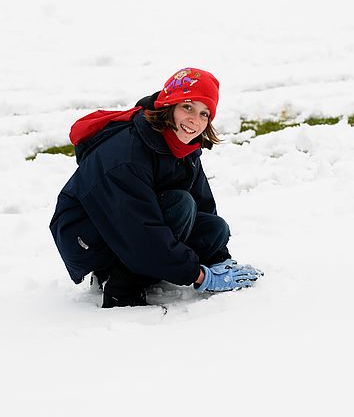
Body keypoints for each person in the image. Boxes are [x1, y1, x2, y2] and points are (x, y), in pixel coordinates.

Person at [50, 67, 263, 308]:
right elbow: (140, 232)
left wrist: (219, 260)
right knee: (180, 206)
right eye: (188, 107)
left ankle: (146, 267)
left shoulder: (183, 145)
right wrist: (200, 277)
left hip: (131, 227)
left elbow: (203, 203)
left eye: (205, 113)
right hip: (89, 238)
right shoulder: (127, 155)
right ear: (169, 105)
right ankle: (120, 288)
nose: (196, 120)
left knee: (214, 229)